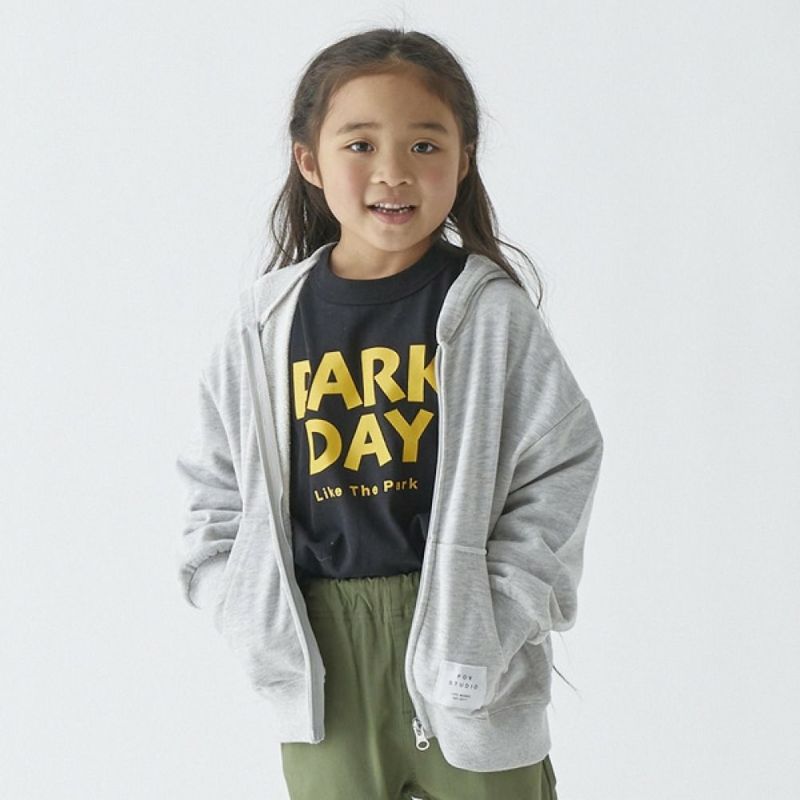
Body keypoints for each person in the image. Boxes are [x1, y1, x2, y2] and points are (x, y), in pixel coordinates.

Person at [175, 27, 603, 800]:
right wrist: (239, 606)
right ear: (309, 160)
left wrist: (501, 613)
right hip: (320, 650)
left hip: (466, 633)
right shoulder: (263, 324)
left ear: (464, 159)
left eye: (425, 146)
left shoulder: (488, 314)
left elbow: (561, 461)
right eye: (361, 144)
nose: (394, 172)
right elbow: (214, 487)